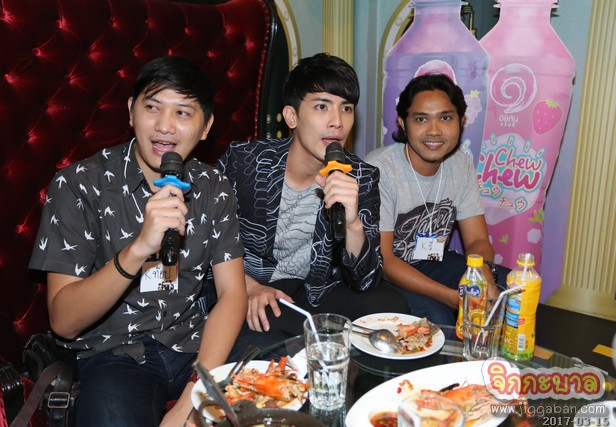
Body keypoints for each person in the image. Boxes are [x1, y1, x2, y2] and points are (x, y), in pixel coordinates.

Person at [29, 56, 247, 427]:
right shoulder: (80, 184)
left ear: (206, 127)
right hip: (113, 353)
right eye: (152, 107)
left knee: (284, 381)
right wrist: (139, 248)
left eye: (183, 112)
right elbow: (63, 322)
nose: (165, 126)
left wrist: (195, 396)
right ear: (131, 111)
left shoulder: (213, 186)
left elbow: (232, 293)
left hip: (195, 342)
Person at [217, 53, 409, 346]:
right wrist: (248, 286)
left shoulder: (362, 175)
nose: (337, 122)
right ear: (291, 116)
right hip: (254, 286)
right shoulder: (244, 161)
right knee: (271, 333)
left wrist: (353, 224)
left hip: (316, 289)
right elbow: (205, 241)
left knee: (391, 308)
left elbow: (366, 280)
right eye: (322, 106)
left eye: (346, 108)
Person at [365, 73, 508, 326]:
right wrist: (453, 298)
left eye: (445, 118)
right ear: (403, 123)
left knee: (511, 290)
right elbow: (384, 260)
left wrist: (483, 276)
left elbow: (477, 239)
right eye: (421, 119)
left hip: (430, 261)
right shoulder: (379, 170)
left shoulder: (460, 164)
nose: (434, 130)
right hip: (382, 274)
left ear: (461, 121)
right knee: (437, 319)